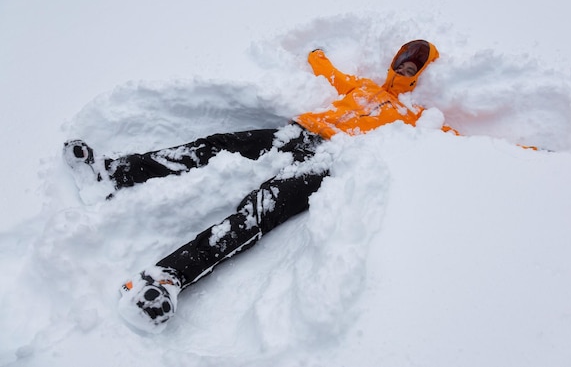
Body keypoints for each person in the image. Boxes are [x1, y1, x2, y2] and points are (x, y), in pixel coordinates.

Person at [63, 40, 455, 333]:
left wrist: (514, 154)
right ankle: (115, 173)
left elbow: (459, 142)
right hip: (295, 133)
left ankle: (167, 278)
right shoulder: (363, 88)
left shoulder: (413, 116)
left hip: (327, 160)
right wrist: (318, 56)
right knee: (213, 147)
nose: (404, 68)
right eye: (402, 60)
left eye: (413, 66)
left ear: (421, 74)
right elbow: (329, 73)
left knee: (254, 215)